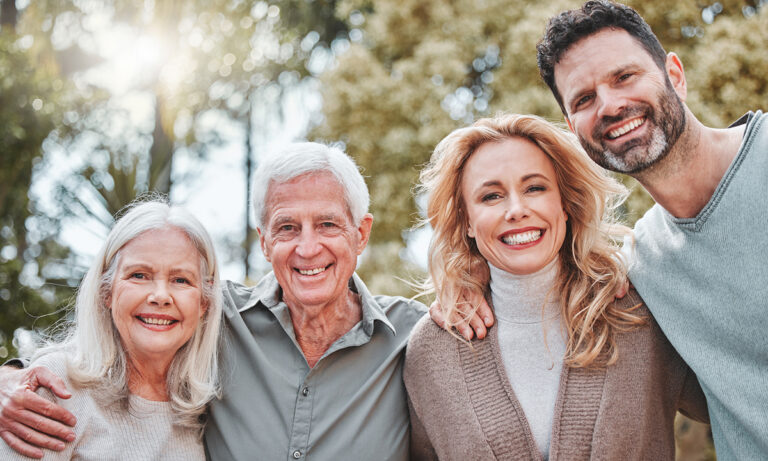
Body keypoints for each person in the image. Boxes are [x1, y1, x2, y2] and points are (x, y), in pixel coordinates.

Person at [0, 143, 427, 460]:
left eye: (328, 224)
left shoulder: (415, 336)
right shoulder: (212, 315)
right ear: (263, 241)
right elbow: (116, 341)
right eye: (287, 227)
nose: (307, 247)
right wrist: (9, 378)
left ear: (361, 234)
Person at [534, 1, 768, 457]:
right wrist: (466, 288)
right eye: (584, 99)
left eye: (625, 77)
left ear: (674, 75)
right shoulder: (641, 269)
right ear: (572, 128)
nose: (611, 105)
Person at [405, 113, 707, 460]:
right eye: (491, 196)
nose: (516, 210)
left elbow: (740, 399)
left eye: (535, 188)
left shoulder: (638, 309)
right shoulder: (434, 349)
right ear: (467, 221)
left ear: (564, 203)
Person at [0, 199, 223, 460]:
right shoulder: (58, 386)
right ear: (106, 290)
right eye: (139, 275)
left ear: (204, 302)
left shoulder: (206, 407)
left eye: (181, 280)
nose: (160, 296)